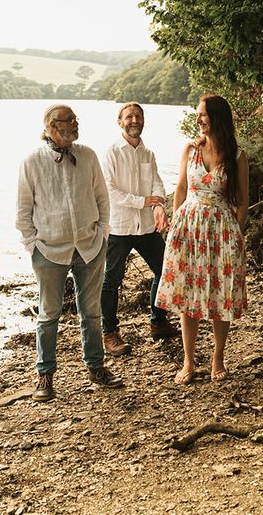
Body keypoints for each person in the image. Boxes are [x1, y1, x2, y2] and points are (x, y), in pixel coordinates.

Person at [17, 104, 123, 402]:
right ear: (52, 126)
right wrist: (33, 246)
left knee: (91, 311)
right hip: (49, 251)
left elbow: (103, 198)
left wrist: (102, 235)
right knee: (49, 315)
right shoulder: (32, 161)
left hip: (89, 247)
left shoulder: (88, 155)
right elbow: (23, 210)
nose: (75, 124)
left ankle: (96, 367)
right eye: (69, 121)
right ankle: (45, 375)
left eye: (76, 120)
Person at [156, 94, 249, 384]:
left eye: (204, 114)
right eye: (198, 114)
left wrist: (237, 234)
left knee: (220, 294)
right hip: (189, 227)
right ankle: (188, 360)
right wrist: (173, 230)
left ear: (218, 117)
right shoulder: (191, 149)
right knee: (188, 296)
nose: (199, 119)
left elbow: (243, 201)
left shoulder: (237, 156)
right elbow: (181, 189)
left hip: (221, 230)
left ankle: (218, 358)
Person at [100, 102, 180, 357]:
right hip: (119, 226)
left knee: (165, 269)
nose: (135, 120)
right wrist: (143, 202)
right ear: (119, 122)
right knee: (112, 280)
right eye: (129, 117)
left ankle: (158, 322)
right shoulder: (111, 152)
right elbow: (109, 191)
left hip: (146, 226)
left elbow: (157, 183)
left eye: (139, 116)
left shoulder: (148, 153)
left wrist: (158, 206)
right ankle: (109, 333)